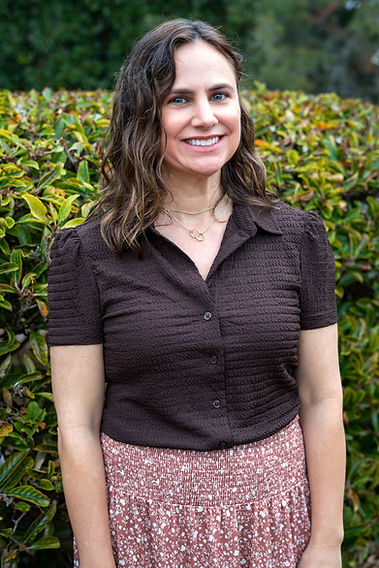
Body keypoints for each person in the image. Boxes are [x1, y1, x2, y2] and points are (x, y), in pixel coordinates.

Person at [48, 18, 346, 568]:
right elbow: (78, 425)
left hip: (276, 521)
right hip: (145, 527)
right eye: (178, 99)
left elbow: (322, 399)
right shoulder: (86, 254)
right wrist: (95, 556)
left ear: (240, 107)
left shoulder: (299, 238)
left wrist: (326, 543)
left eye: (220, 95)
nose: (205, 117)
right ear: (142, 116)